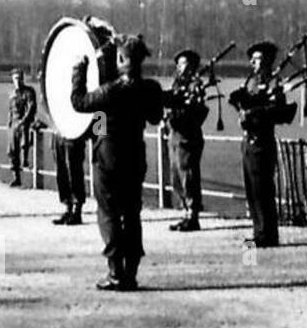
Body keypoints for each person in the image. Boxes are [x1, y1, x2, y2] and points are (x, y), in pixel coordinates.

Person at [70, 33, 164, 290]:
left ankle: (115, 272)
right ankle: (131, 274)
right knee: (132, 214)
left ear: (121, 59)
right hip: (135, 157)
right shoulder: (150, 89)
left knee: (109, 213)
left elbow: (78, 102)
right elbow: (156, 117)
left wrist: (80, 68)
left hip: (108, 159)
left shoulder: (109, 92)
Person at [234, 40, 294, 248]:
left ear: (267, 61)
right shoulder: (251, 81)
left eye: (258, 58)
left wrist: (254, 112)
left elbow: (276, 109)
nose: (253, 62)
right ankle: (259, 230)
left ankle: (267, 234)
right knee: (252, 189)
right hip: (248, 139)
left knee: (263, 189)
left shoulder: (273, 83)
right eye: (252, 59)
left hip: (262, 140)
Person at [164, 49, 208, 232]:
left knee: (187, 174)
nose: (181, 68)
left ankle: (192, 214)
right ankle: (185, 210)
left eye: (185, 64)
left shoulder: (195, 85)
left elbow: (197, 110)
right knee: (176, 175)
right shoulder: (177, 84)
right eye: (179, 64)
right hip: (174, 134)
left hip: (187, 135)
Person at [5, 67, 37, 187]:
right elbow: (10, 110)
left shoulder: (29, 92)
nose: (17, 81)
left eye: (19, 78)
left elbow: (31, 108)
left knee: (24, 145)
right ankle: (16, 178)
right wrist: (9, 124)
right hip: (13, 124)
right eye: (15, 79)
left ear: (23, 79)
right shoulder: (11, 94)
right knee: (12, 151)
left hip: (24, 124)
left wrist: (23, 122)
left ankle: (28, 167)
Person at [52, 131, 87, 225]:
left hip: (74, 134)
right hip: (59, 133)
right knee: (61, 172)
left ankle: (77, 210)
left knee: (74, 171)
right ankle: (68, 208)